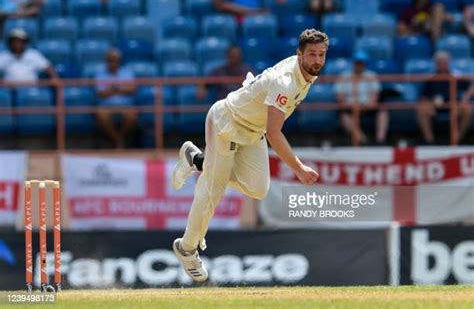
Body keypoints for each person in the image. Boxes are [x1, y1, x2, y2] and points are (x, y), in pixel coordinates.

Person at [171, 29, 326, 282]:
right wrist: (297, 167)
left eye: (321, 55)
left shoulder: (308, 74)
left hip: (253, 132)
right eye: (311, 55)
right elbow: (275, 133)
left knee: (258, 189)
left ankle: (197, 159)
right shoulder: (285, 81)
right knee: (214, 188)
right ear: (299, 55)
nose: (317, 60)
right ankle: (186, 249)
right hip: (228, 122)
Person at [417, 51, 471, 144]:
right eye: (439, 63)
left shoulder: (457, 76)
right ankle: (430, 141)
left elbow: (471, 87)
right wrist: (431, 102)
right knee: (422, 109)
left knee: (467, 109)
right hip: (436, 107)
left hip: (455, 106)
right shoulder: (431, 79)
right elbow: (423, 97)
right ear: (435, 64)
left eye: (444, 63)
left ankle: (458, 139)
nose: (442, 65)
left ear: (449, 63)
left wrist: (465, 98)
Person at [335, 51, 388, 145]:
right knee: (344, 116)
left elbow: (375, 96)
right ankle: (363, 140)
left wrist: (367, 105)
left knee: (383, 111)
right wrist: (352, 105)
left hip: (367, 106)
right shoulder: (344, 77)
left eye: (361, 63)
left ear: (365, 64)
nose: (359, 65)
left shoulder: (371, 76)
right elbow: (340, 98)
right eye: (357, 63)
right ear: (353, 63)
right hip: (350, 106)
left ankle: (380, 141)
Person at [94, 48, 137, 148]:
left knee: (132, 116)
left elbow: (131, 89)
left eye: (114, 60)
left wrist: (112, 90)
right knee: (101, 116)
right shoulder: (100, 74)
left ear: (119, 60)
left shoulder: (127, 73)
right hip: (106, 106)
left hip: (124, 105)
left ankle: (117, 140)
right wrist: (119, 89)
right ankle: (118, 141)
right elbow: (100, 93)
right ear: (106, 61)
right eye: (110, 60)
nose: (112, 62)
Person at [213, 0, 286, 22]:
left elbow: (282, 0)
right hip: (238, 17)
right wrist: (250, 12)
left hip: (258, 16)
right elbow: (220, 4)